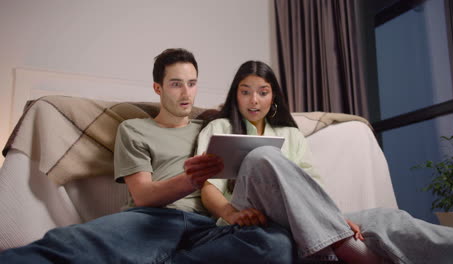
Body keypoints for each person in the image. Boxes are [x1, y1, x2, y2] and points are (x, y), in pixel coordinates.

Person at [0, 49, 295, 264]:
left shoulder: (212, 127)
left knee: (277, 246)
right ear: (158, 87)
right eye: (176, 84)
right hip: (152, 219)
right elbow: (142, 195)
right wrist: (190, 179)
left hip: (209, 226)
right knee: (68, 244)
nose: (186, 93)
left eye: (192, 84)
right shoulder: (134, 129)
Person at [196, 60, 453, 264]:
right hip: (245, 215)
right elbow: (208, 186)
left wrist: (333, 217)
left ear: (273, 96)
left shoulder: (291, 134)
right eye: (246, 92)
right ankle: (344, 247)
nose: (254, 100)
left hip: (300, 220)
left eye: (263, 92)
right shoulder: (219, 126)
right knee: (262, 156)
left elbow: (312, 185)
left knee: (388, 218)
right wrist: (232, 214)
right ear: (236, 95)